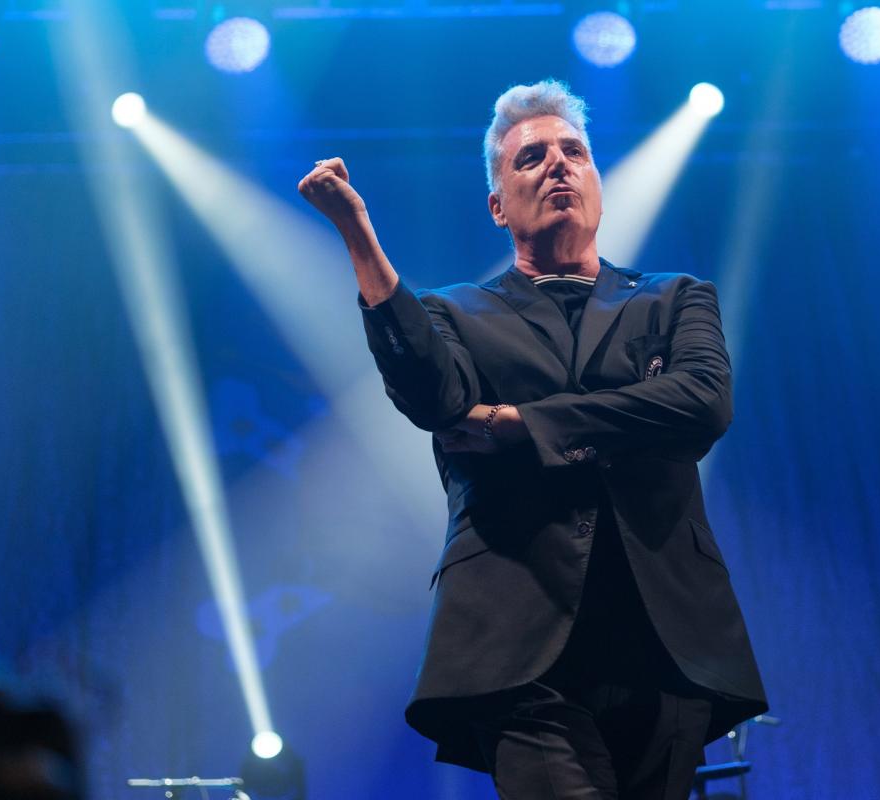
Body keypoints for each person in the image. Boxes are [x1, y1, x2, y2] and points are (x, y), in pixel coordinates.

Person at [299, 79, 766, 799]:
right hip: (519, 642)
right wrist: (358, 233)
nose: (558, 165)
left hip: (665, 637)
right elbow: (435, 400)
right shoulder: (452, 314)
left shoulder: (674, 298)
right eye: (532, 157)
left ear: (598, 184)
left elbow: (702, 405)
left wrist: (523, 424)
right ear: (497, 205)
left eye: (574, 152)